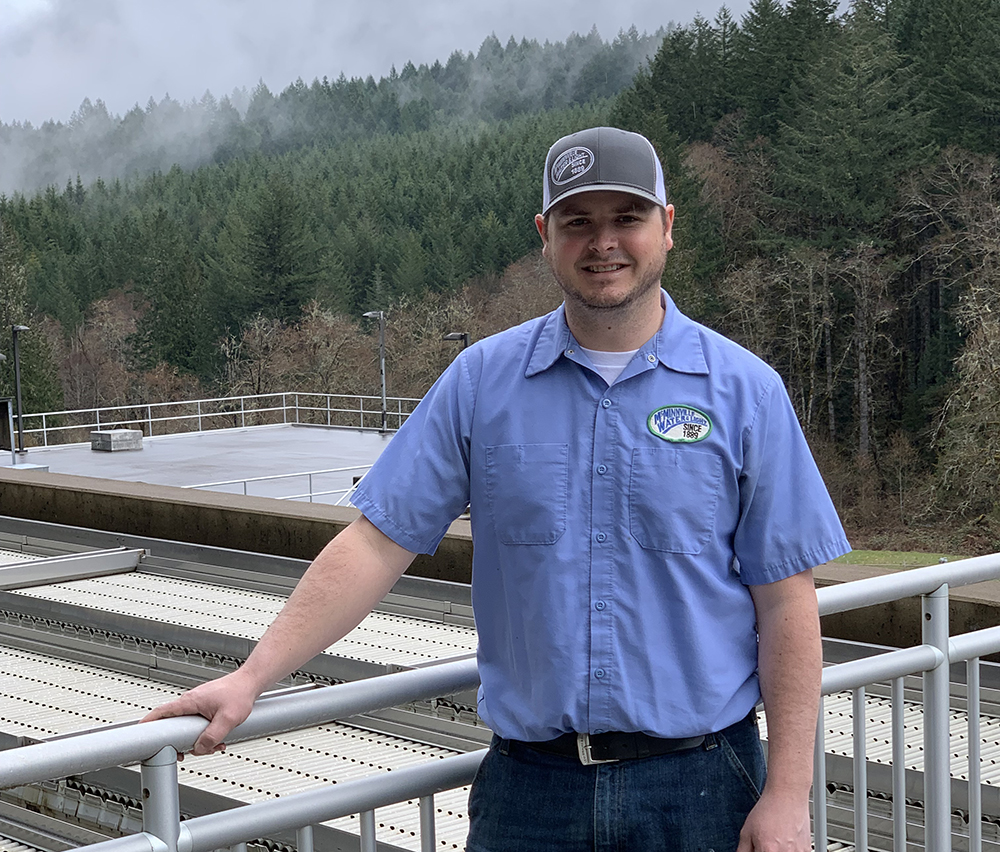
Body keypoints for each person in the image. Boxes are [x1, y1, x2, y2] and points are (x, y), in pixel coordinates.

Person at [145, 127, 851, 851]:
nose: (602, 242)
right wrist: (252, 677)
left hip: (703, 788)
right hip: (531, 795)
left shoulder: (745, 393)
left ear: (667, 228)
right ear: (546, 235)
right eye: (578, 221)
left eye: (626, 218)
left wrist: (789, 794)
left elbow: (785, 599)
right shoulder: (481, 383)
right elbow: (375, 542)